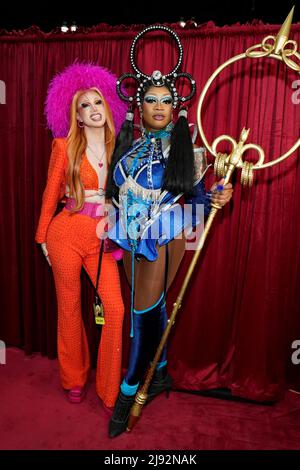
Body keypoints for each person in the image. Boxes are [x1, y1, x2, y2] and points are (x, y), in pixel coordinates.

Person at [105, 26, 233, 437]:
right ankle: (159, 372)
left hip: (167, 233)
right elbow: (113, 194)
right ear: (138, 105)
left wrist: (217, 195)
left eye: (166, 100)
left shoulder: (188, 149)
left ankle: (129, 391)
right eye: (150, 100)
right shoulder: (125, 145)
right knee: (152, 305)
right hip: (128, 234)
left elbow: (195, 201)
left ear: (176, 105)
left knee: (141, 315)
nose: (159, 107)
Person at [35, 63, 127, 409]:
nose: (93, 110)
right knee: (70, 308)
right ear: (75, 115)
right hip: (65, 234)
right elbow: (49, 193)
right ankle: (73, 377)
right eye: (84, 106)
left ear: (109, 106)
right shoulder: (63, 146)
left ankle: (108, 386)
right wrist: (42, 237)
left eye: (98, 102)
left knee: (115, 309)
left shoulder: (122, 144)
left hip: (102, 238)